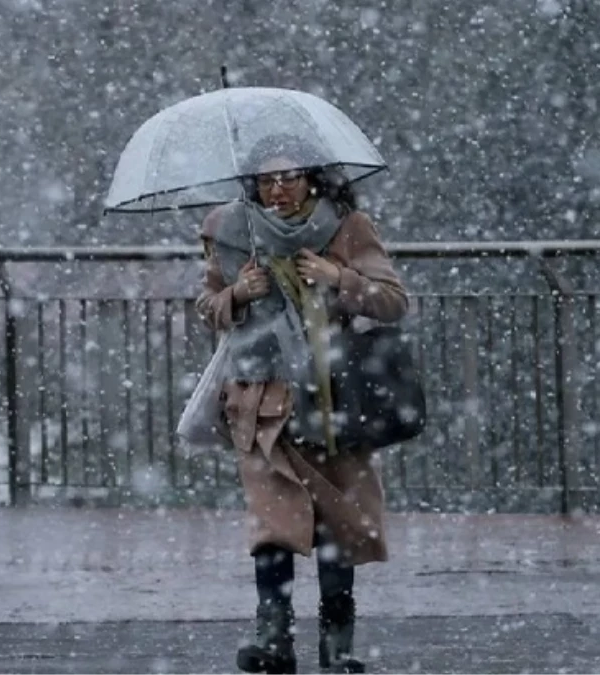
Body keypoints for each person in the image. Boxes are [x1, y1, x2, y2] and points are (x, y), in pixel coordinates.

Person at [197, 134, 408, 674]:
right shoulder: (232, 231)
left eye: (289, 177)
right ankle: (274, 639)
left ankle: (338, 646)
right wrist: (238, 294)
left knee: (338, 524)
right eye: (266, 180)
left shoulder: (346, 227)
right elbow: (207, 306)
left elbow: (393, 302)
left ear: (313, 177)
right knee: (274, 525)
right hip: (260, 398)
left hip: (335, 397)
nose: (278, 189)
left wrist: (339, 278)